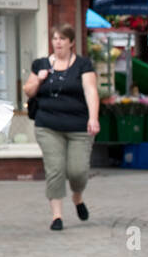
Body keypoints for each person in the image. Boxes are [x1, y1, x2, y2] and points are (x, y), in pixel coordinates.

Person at [23, 23, 99, 231]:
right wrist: (39, 80)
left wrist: (93, 118)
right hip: (48, 125)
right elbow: (28, 91)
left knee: (78, 171)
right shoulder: (41, 64)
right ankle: (57, 217)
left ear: (71, 42)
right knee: (55, 169)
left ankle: (77, 197)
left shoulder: (83, 65)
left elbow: (91, 91)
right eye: (55, 39)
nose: (58, 42)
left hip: (79, 127)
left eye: (62, 39)